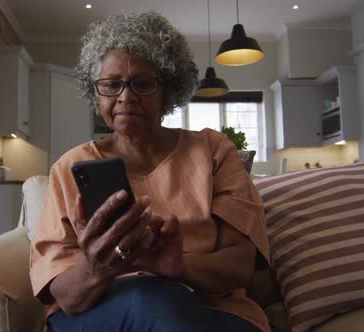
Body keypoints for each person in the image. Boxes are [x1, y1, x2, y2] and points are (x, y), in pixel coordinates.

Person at [30, 11, 270, 332]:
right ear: (96, 92)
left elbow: (240, 267)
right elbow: (68, 298)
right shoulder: (69, 169)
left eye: (142, 83)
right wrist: (99, 266)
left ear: (167, 91)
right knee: (151, 300)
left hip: (210, 308)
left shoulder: (213, 151)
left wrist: (174, 266)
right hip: (103, 310)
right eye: (111, 84)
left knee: (168, 304)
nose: (125, 97)